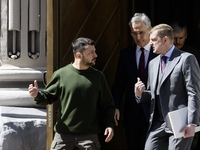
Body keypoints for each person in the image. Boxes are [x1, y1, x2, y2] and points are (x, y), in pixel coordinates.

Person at [28, 37, 115, 150]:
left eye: (95, 52)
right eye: (91, 53)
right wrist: (37, 95)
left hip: (89, 136)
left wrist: (109, 125)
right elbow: (48, 97)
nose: (95, 55)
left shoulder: (98, 77)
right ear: (78, 55)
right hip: (63, 135)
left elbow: (108, 104)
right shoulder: (61, 74)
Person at [135, 24, 200, 150]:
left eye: (153, 40)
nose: (150, 43)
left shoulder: (186, 59)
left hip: (180, 122)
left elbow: (194, 93)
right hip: (158, 123)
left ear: (165, 39)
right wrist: (140, 93)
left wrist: (192, 123)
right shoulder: (152, 64)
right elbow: (153, 95)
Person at [112, 13, 157, 150]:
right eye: (134, 33)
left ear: (150, 29)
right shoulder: (126, 54)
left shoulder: (159, 53)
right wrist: (116, 106)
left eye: (141, 32)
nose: (138, 37)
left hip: (154, 112)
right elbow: (119, 84)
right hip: (132, 113)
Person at [170, 21, 200, 150]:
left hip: (190, 105)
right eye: (175, 38)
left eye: (180, 38)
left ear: (186, 35)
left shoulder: (195, 54)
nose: (177, 41)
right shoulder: (165, 54)